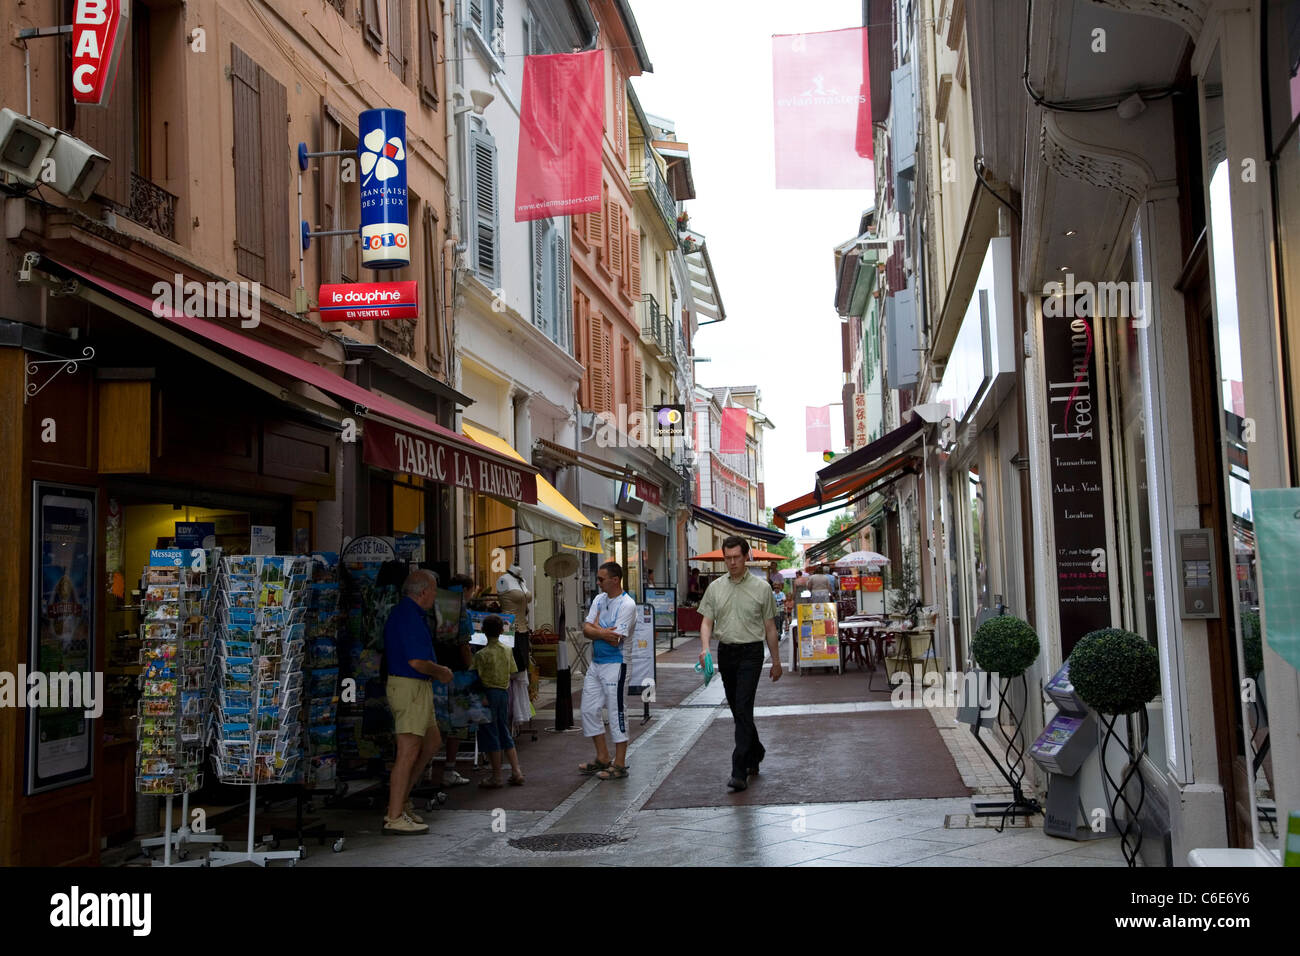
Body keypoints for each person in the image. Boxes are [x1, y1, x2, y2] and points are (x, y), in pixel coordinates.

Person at [698, 536, 781, 792]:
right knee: (737, 708)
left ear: (747, 557)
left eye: (736, 557)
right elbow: (706, 621)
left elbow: (770, 627)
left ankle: (739, 769)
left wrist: (776, 662)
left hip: (751, 653)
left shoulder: (761, 588)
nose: (731, 562)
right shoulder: (715, 587)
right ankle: (756, 750)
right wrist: (704, 649)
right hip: (726, 653)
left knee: (743, 706)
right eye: (727, 557)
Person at [383, 569, 454, 835]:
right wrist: (442, 672)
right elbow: (416, 662)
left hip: (416, 687)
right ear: (423, 591)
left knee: (431, 742)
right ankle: (394, 815)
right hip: (409, 685)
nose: (435, 596)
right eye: (434, 590)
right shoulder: (408, 616)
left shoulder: (410, 614)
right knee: (408, 751)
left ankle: (402, 802)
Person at [578, 560, 637, 780]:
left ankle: (620, 763)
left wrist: (596, 630)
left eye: (601, 579)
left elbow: (616, 640)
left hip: (617, 663)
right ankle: (603, 756)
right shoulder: (599, 599)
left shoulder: (627, 605)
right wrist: (602, 632)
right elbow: (586, 629)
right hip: (597, 663)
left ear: (615, 580)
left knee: (616, 711)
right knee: (588, 709)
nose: (598, 582)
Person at [431, 573, 477, 787]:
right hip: (456, 673)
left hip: (433, 671)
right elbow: (464, 645)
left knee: (433, 722)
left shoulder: (433, 605)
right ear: (467, 589)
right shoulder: (461, 610)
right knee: (456, 723)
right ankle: (449, 769)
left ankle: (427, 768)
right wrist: (470, 667)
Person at [470, 615, 525, 788]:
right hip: (504, 693)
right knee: (504, 731)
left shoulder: (481, 655)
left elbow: (474, 676)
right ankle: (516, 771)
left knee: (490, 732)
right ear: (502, 631)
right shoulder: (507, 650)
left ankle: (496, 776)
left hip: (487, 695)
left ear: (483, 631)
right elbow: (513, 671)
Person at [496, 563, 533, 674]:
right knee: (513, 668)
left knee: (522, 667)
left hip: (523, 630)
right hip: (509, 629)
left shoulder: (522, 581)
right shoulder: (503, 580)